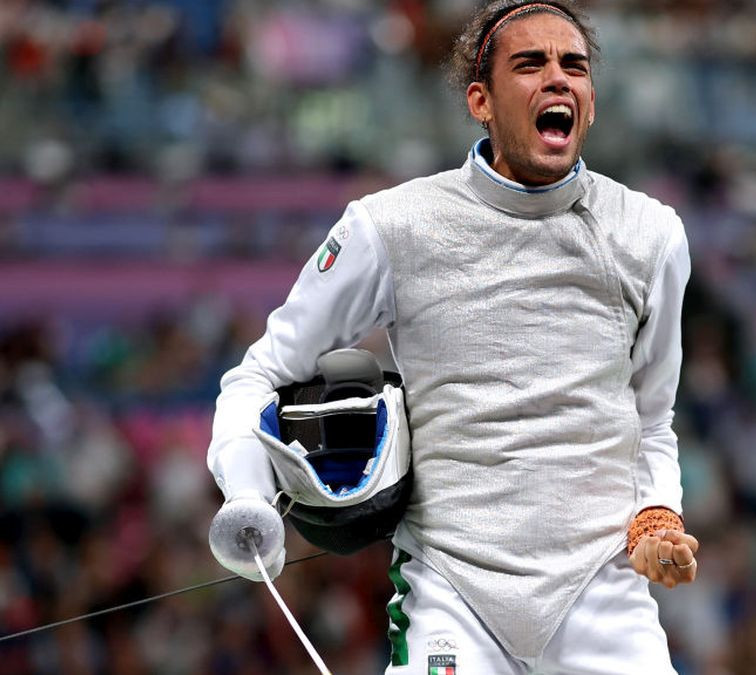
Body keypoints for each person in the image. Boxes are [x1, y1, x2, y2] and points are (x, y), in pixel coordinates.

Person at [206, 1, 699, 672]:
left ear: (590, 101)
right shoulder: (393, 226)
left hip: (602, 593)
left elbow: (652, 419)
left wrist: (657, 514)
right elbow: (256, 376)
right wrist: (246, 494)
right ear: (481, 100)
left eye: (573, 66)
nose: (557, 78)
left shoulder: (651, 235)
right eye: (530, 63)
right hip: (451, 594)